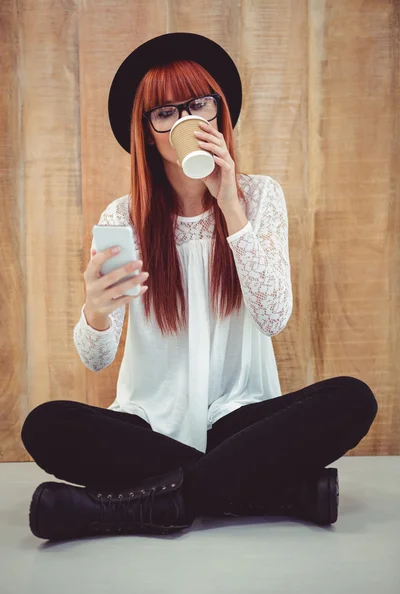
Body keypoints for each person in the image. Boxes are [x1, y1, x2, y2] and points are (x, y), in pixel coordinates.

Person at [21, 33, 378, 541]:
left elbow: (275, 315)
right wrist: (95, 310)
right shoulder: (124, 216)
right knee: (46, 426)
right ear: (147, 132)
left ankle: (130, 507)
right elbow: (97, 358)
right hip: (153, 427)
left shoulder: (260, 196)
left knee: (352, 399)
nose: (186, 120)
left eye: (198, 104)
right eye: (164, 113)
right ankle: (274, 491)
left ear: (218, 113)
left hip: (240, 420)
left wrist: (231, 205)